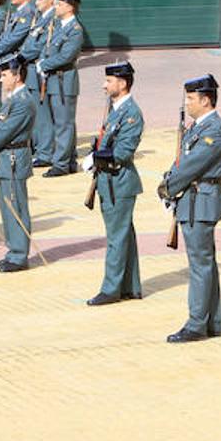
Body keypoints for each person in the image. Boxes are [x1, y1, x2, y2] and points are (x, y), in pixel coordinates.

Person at [158, 74, 221, 343]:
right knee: (204, 263)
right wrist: (171, 179)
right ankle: (211, 320)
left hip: (201, 201)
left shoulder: (213, 131)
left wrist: (167, 186)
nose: (186, 103)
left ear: (206, 100)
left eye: (191, 98)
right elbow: (182, 159)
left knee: (200, 264)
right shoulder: (198, 127)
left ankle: (196, 323)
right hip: (192, 200)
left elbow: (192, 165)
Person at [84, 61, 145, 305]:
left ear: (122, 83)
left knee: (116, 237)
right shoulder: (115, 108)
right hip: (108, 182)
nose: (104, 85)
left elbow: (122, 152)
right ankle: (130, 286)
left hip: (119, 182)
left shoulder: (131, 113)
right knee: (124, 235)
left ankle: (111, 289)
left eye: (108, 81)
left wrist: (94, 158)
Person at [0, 54, 39, 272]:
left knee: (17, 207)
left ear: (17, 76)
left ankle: (19, 255)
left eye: (5, 75)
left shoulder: (22, 102)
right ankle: (13, 250)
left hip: (14, 158)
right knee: (8, 208)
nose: (1, 79)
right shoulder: (13, 99)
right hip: (6, 159)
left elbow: (5, 131)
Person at [37, 0, 84, 176]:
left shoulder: (75, 30)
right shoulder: (57, 26)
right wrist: (43, 61)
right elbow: (46, 47)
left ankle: (61, 164)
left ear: (70, 7)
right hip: (53, 80)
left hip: (64, 80)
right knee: (61, 121)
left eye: (60, 4)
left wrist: (45, 64)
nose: (56, 7)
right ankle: (69, 159)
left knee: (64, 123)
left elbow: (66, 56)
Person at [20, 0, 57, 168]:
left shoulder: (52, 19)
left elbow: (41, 46)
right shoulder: (40, 18)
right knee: (34, 112)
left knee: (43, 115)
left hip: (40, 71)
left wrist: (20, 57)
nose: (37, 2)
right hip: (31, 71)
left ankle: (45, 151)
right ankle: (37, 147)